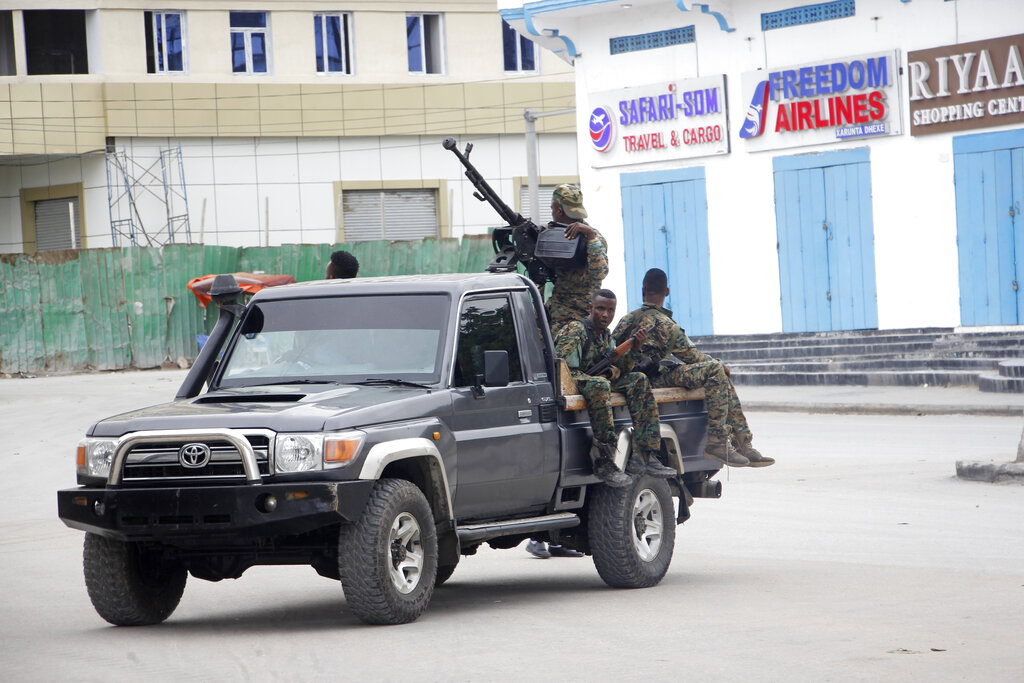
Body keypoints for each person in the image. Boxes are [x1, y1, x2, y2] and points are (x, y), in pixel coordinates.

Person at [613, 268, 774, 468]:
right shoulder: (667, 325)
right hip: (653, 380)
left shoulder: (626, 319)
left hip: (629, 379)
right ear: (667, 292)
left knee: (716, 369)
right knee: (716, 370)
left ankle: (741, 442)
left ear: (643, 290)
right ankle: (726, 441)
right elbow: (692, 357)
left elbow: (612, 350)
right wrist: (718, 364)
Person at [555, 288, 677, 486]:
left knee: (638, 379)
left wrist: (634, 351)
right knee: (600, 384)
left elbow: (620, 368)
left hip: (595, 381)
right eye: (600, 309)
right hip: (576, 381)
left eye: (611, 310)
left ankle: (645, 454)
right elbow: (562, 369)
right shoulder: (576, 330)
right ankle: (604, 459)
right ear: (590, 308)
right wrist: (598, 378)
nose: (605, 315)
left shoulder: (605, 336)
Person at [544, 184, 609, 335]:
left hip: (583, 318)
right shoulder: (554, 234)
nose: (552, 212)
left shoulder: (593, 237)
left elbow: (600, 273)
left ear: (559, 211)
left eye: (552, 208)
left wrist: (590, 237)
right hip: (558, 313)